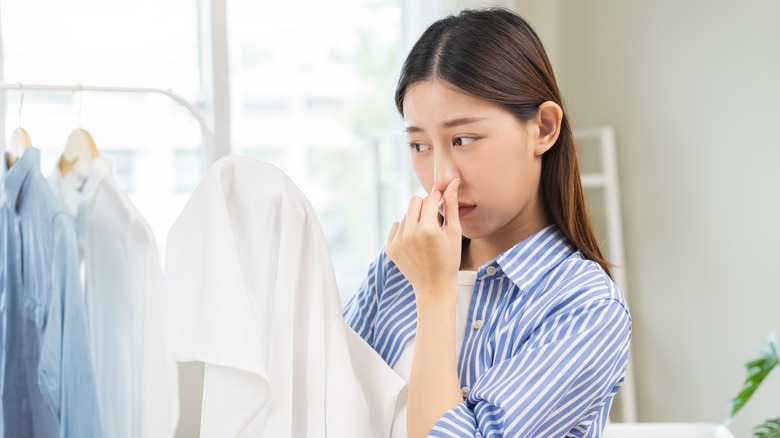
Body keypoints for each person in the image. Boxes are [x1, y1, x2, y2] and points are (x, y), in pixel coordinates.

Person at [344, 7, 632, 438]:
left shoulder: (586, 310)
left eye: (463, 139)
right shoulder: (397, 268)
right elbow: (325, 404)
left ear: (544, 128)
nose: (441, 177)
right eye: (420, 145)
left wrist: (436, 291)